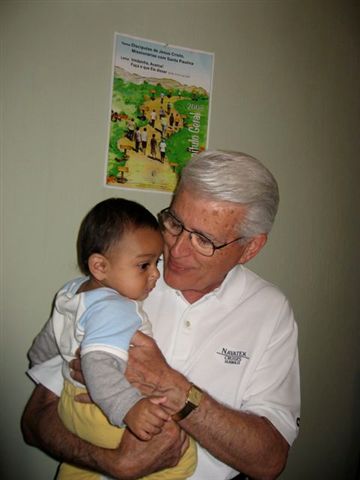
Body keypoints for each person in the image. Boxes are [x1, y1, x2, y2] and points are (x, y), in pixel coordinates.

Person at [22, 150, 300, 480]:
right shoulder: (119, 280)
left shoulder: (270, 311)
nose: (176, 250)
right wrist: (113, 463)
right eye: (175, 223)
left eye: (203, 240)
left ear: (251, 248)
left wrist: (170, 385)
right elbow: (34, 419)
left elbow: (269, 461)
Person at [26, 198, 196, 480]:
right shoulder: (116, 307)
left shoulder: (72, 293)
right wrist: (129, 407)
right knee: (183, 456)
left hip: (72, 406)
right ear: (100, 267)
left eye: (157, 262)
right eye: (144, 265)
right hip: (107, 415)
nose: (155, 274)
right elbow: (98, 362)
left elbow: (47, 341)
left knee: (79, 471)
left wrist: (42, 366)